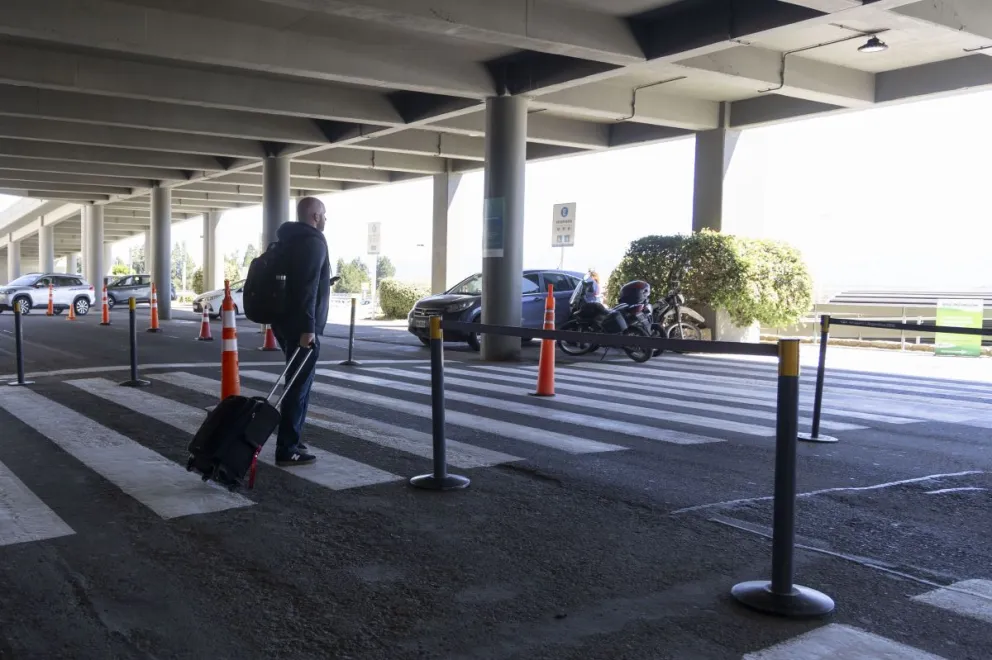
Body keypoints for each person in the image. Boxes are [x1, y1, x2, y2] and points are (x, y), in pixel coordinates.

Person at [269, 196, 331, 467]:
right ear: (315, 216)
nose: (326, 220)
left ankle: (293, 440)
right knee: (298, 387)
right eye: (325, 215)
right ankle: (288, 448)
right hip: (302, 328)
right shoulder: (314, 241)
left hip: (284, 322)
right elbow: (307, 288)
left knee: (297, 383)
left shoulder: (288, 239)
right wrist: (309, 328)